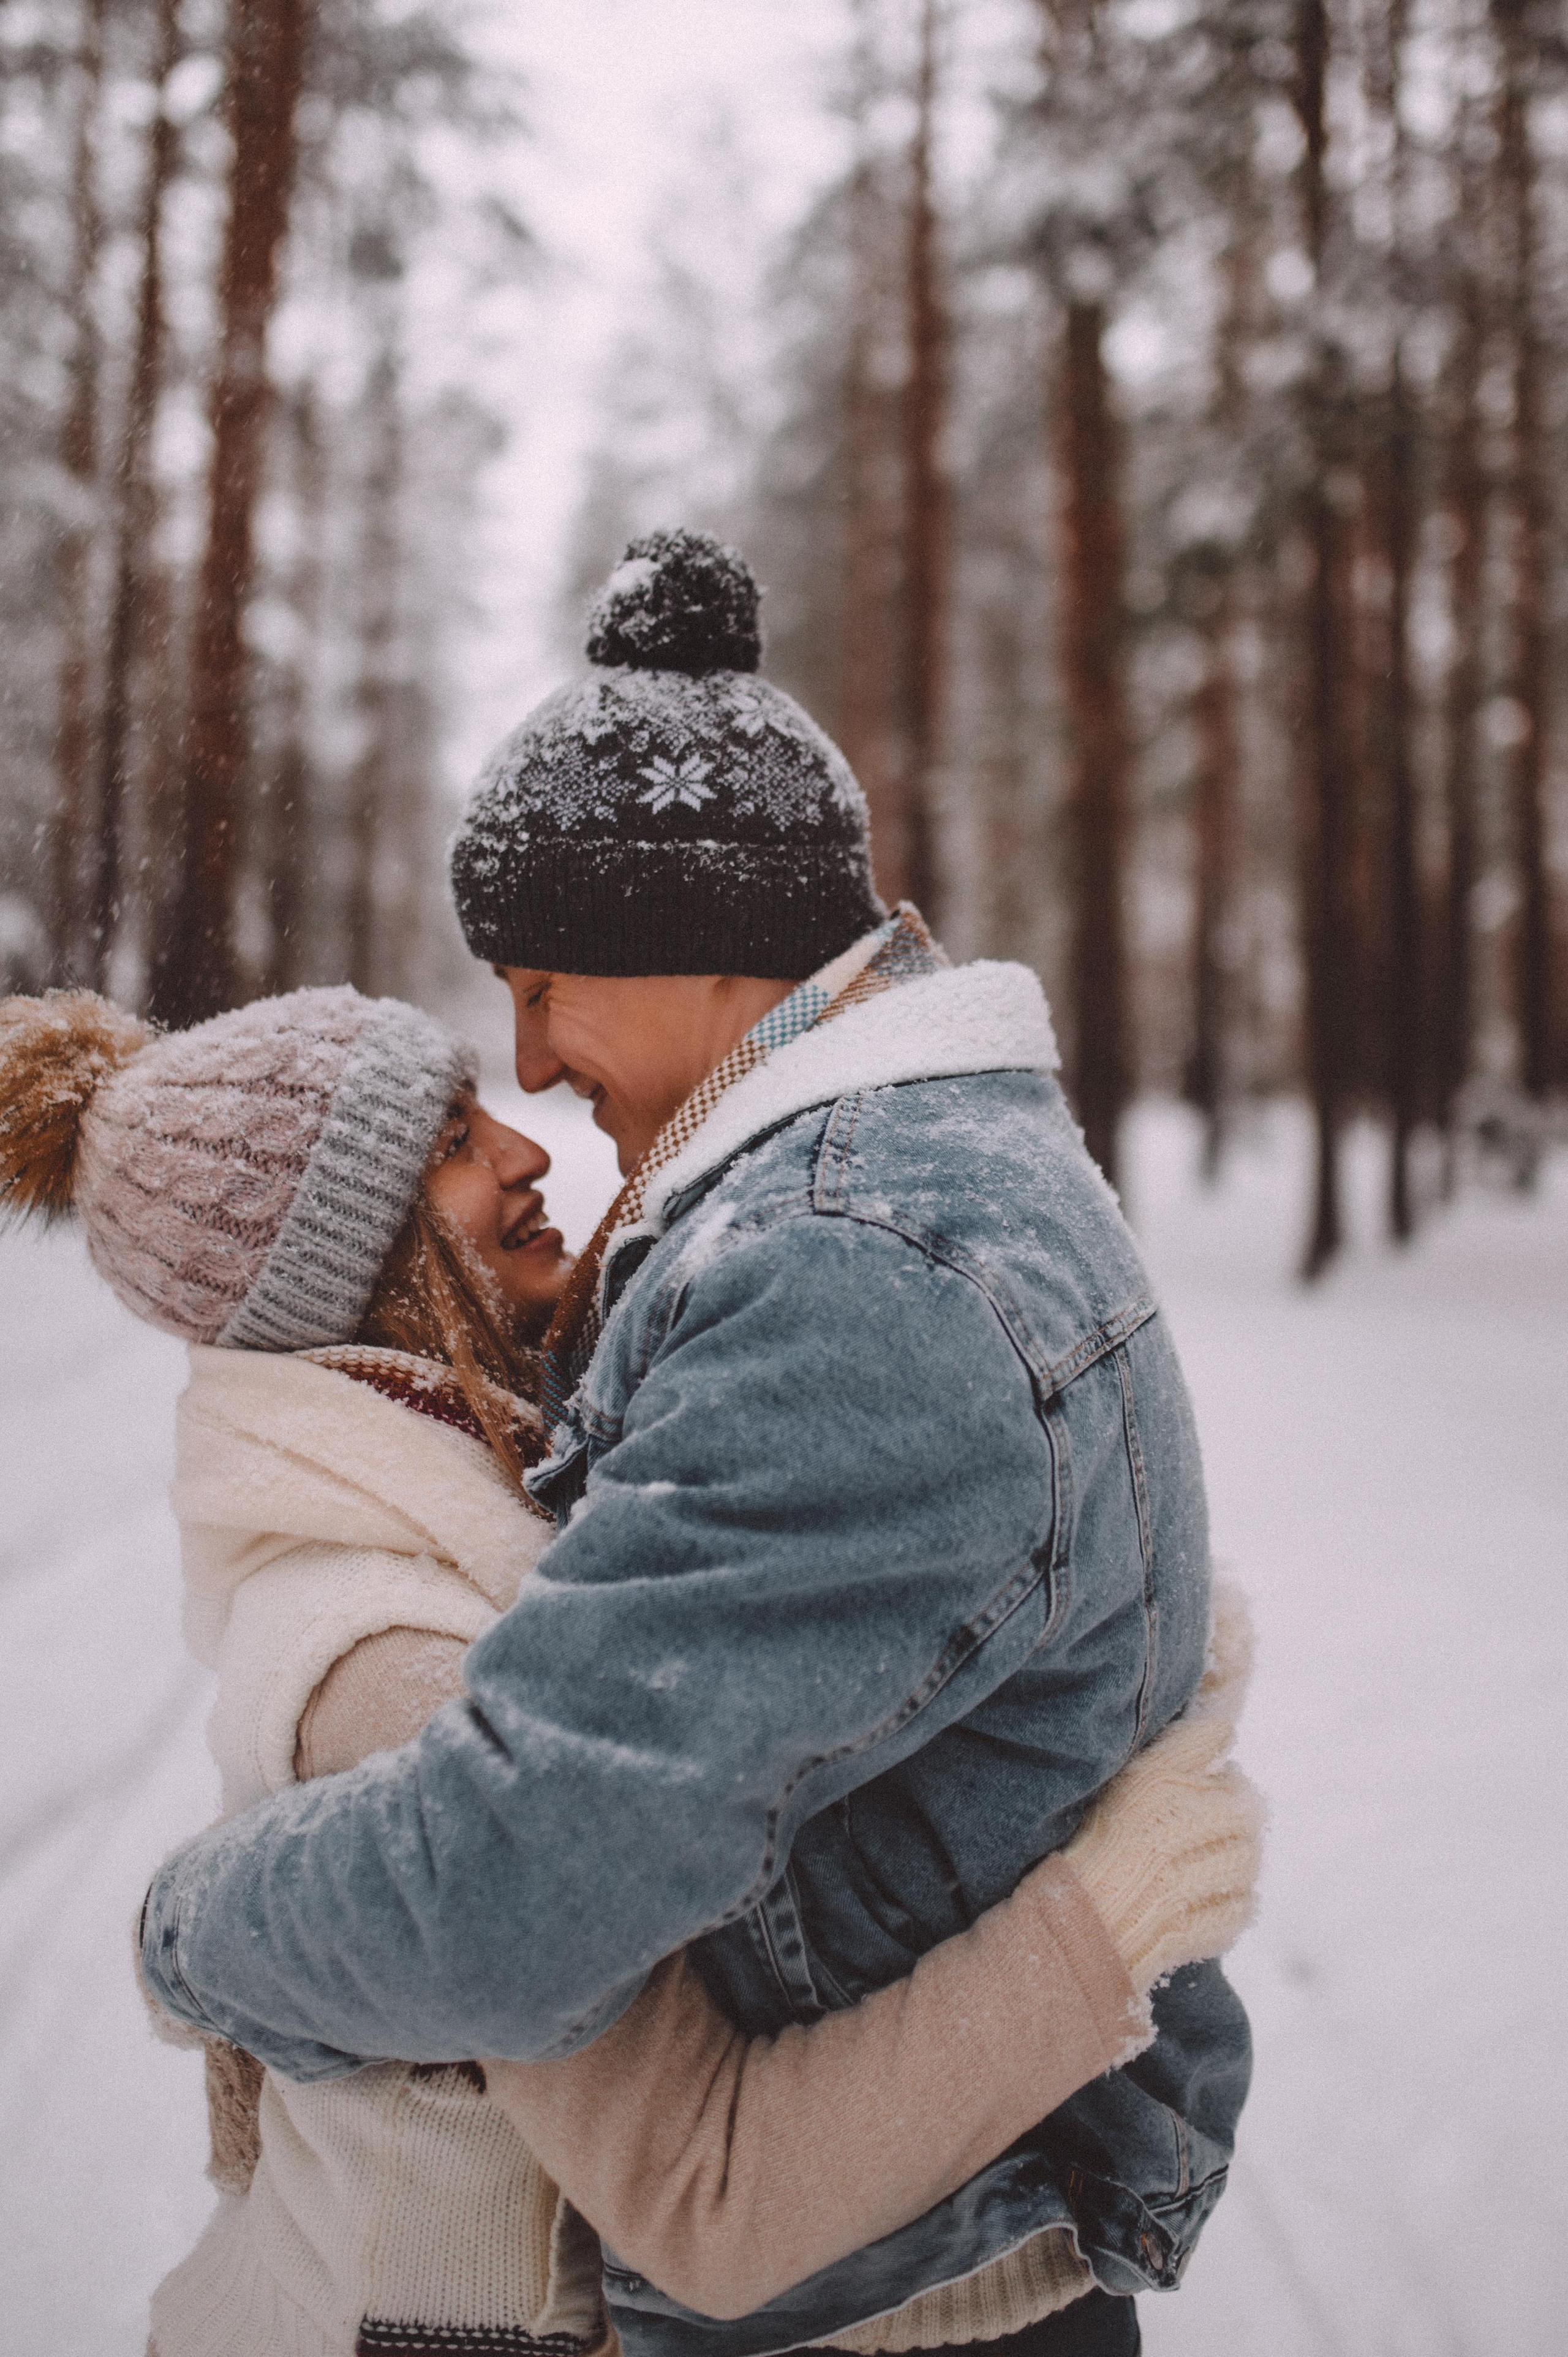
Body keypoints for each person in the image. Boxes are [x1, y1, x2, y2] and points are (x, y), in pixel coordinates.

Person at [132, 531, 1257, 2356]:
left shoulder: (849, 1268)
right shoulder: (883, 1193)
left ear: (686, 944)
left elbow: (519, 1890)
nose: (535, 1058)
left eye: (538, 980)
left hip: (891, 2304)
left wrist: (188, 1939)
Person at [0, 983, 1257, 2357]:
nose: (523, 1151)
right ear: (349, 1265)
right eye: (447, 1143)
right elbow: (709, 2198)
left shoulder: (481, 1484)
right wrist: (1107, 1919)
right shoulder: (399, 1666)